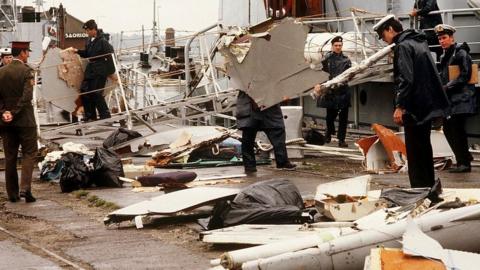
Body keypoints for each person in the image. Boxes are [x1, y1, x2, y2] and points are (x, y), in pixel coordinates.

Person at [373, 15, 450, 198]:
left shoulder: (403, 46)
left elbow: (405, 79)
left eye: (383, 35)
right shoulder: (419, 41)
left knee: (414, 152)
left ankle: (418, 190)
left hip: (413, 107)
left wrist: (400, 106)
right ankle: (429, 188)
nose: (384, 40)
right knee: (424, 147)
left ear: (390, 29)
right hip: (426, 105)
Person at [435, 24, 476, 173]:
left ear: (452, 38)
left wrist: (447, 86)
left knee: (457, 130)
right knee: (448, 129)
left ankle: (464, 163)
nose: (441, 41)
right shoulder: (445, 55)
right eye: (439, 39)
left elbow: (465, 74)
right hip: (452, 99)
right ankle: (464, 157)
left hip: (462, 98)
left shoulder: (461, 53)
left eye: (444, 38)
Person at [0, 41, 38, 203]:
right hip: (25, 121)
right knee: (30, 153)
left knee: (10, 157)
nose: (28, 54)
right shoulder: (27, 71)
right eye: (27, 52)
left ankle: (12, 194)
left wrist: (4, 112)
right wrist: (14, 112)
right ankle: (25, 189)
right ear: (22, 53)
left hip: (6, 122)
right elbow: (27, 96)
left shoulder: (1, 72)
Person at [236, 90, 296, 173]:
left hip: (266, 102)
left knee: (277, 131)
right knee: (248, 137)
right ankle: (250, 166)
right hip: (252, 104)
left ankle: (282, 162)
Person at [71, 19, 113, 121]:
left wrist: (111, 72)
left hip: (100, 70)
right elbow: (87, 54)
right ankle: (90, 116)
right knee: (84, 91)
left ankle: (105, 116)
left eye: (88, 31)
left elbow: (110, 55)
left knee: (96, 93)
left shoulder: (103, 42)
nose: (87, 33)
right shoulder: (89, 41)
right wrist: (77, 51)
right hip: (91, 70)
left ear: (94, 30)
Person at [313, 36, 351, 147]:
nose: (338, 47)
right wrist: (319, 84)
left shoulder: (346, 60)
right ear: (332, 46)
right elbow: (320, 72)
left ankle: (341, 140)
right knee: (330, 116)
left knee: (343, 118)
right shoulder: (326, 59)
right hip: (331, 92)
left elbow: (349, 74)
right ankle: (329, 133)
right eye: (336, 45)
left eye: (340, 45)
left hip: (343, 91)